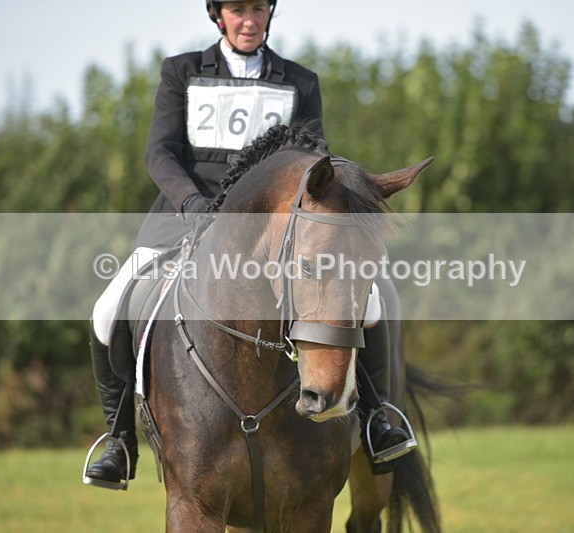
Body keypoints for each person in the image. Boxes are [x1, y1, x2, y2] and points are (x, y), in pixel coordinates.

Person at [84, 0, 415, 489]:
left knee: (370, 297)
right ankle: (119, 439)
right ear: (219, 16)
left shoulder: (300, 81)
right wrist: (192, 204)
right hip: (186, 216)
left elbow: (313, 159)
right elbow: (160, 153)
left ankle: (377, 418)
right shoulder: (183, 72)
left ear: (268, 14)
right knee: (109, 307)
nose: (248, 19)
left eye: (258, 8)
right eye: (238, 9)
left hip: (273, 225)